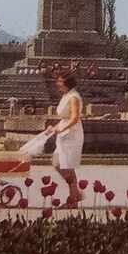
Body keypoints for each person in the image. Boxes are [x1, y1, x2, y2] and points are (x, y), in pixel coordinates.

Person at [47, 72, 85, 206]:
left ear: (67, 83)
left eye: (60, 82)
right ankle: (76, 193)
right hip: (64, 133)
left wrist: (61, 129)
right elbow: (65, 117)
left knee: (66, 166)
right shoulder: (66, 96)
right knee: (57, 163)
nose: (58, 84)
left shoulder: (73, 97)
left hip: (72, 134)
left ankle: (73, 198)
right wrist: (54, 128)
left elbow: (74, 118)